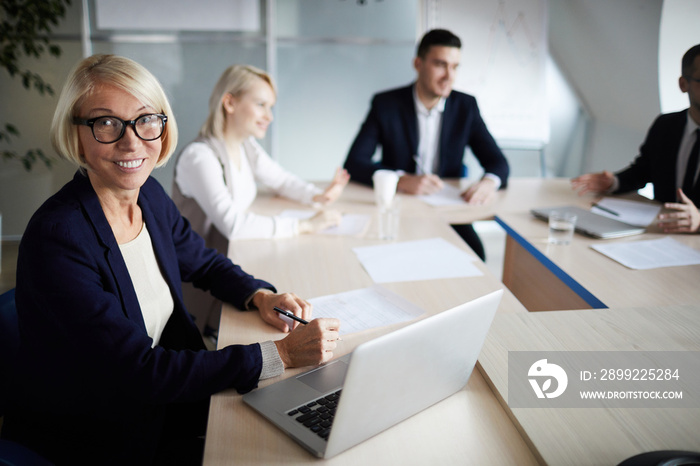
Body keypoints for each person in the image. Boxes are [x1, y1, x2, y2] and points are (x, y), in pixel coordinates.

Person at [1, 54, 340, 466]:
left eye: (145, 119)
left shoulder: (149, 197)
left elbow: (203, 262)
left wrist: (259, 295)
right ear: (77, 135)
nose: (131, 142)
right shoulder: (59, 238)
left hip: (166, 402)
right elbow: (138, 374)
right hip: (106, 435)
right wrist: (280, 355)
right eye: (106, 123)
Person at [173, 64, 349, 336]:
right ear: (229, 102)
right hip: (204, 283)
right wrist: (303, 226)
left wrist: (318, 195)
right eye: (261, 105)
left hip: (236, 263)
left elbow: (281, 179)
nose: (269, 116)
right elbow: (233, 224)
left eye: (271, 107)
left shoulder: (245, 146)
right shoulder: (200, 157)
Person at [343, 29, 510, 260]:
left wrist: (489, 182)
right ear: (418, 63)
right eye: (440, 64)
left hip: (448, 213)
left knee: (476, 256)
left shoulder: (465, 106)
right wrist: (401, 180)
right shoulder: (386, 104)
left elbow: (498, 162)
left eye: (455, 67)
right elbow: (354, 163)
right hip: (398, 211)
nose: (449, 76)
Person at [571, 44, 700, 234]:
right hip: (659, 232)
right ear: (683, 84)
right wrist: (614, 182)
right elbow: (643, 171)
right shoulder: (666, 125)